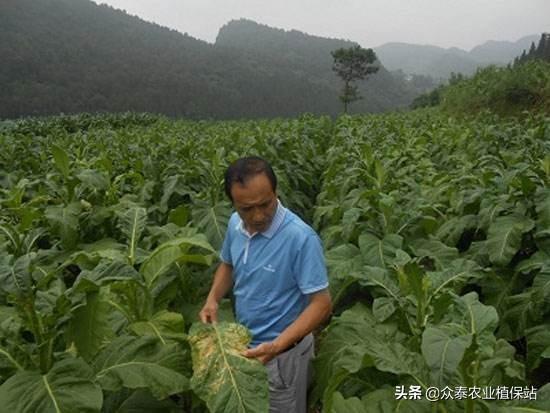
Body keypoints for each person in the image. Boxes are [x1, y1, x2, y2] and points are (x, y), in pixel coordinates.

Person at [199, 156, 332, 413]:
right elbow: (228, 264)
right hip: (246, 348)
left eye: (265, 204)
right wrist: (212, 299)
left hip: (283, 356)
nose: (258, 216)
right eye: (247, 209)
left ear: (276, 192)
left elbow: (322, 304)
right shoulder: (235, 226)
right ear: (233, 203)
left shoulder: (300, 238)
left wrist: (277, 345)